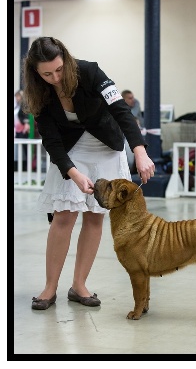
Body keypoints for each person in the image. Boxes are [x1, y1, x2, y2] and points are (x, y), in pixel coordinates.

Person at [22, 37, 155, 310]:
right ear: (36, 72)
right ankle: (49, 288)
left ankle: (79, 285)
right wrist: (72, 173)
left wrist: (139, 150)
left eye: (58, 70)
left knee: (95, 217)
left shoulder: (91, 72)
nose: (55, 77)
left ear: (66, 61)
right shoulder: (38, 92)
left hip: (106, 146)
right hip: (71, 151)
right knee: (64, 217)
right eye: (46, 73)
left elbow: (121, 110)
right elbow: (51, 140)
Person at [14, 90, 30, 171]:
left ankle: (27, 166)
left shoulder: (24, 105)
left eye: (18, 96)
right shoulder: (17, 106)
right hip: (18, 130)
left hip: (23, 130)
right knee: (19, 149)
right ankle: (21, 166)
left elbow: (25, 115)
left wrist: (26, 123)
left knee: (25, 148)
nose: (16, 98)